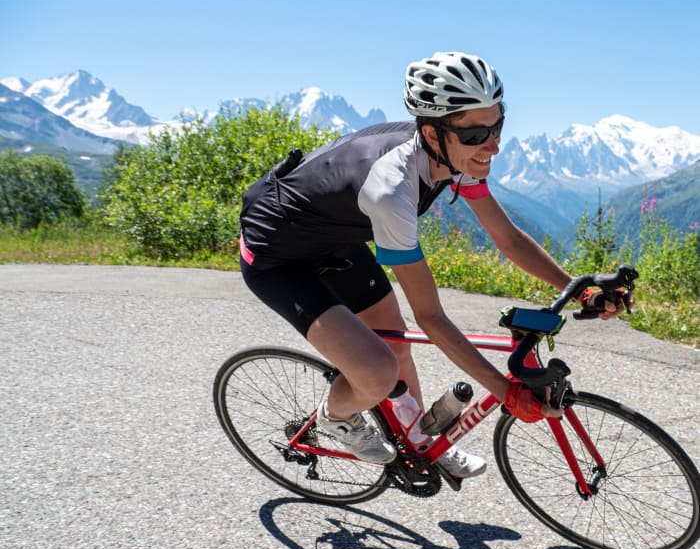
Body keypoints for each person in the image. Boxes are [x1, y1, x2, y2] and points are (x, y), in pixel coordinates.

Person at [238, 51, 625, 477]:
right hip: (277, 254)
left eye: (497, 126)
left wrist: (578, 288)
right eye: (478, 134)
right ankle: (336, 417)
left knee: (398, 344)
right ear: (432, 131)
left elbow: (508, 239)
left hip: (335, 239)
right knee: (377, 370)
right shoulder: (391, 188)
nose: (493, 145)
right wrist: (505, 391)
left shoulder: (456, 155)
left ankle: (422, 442)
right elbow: (432, 317)